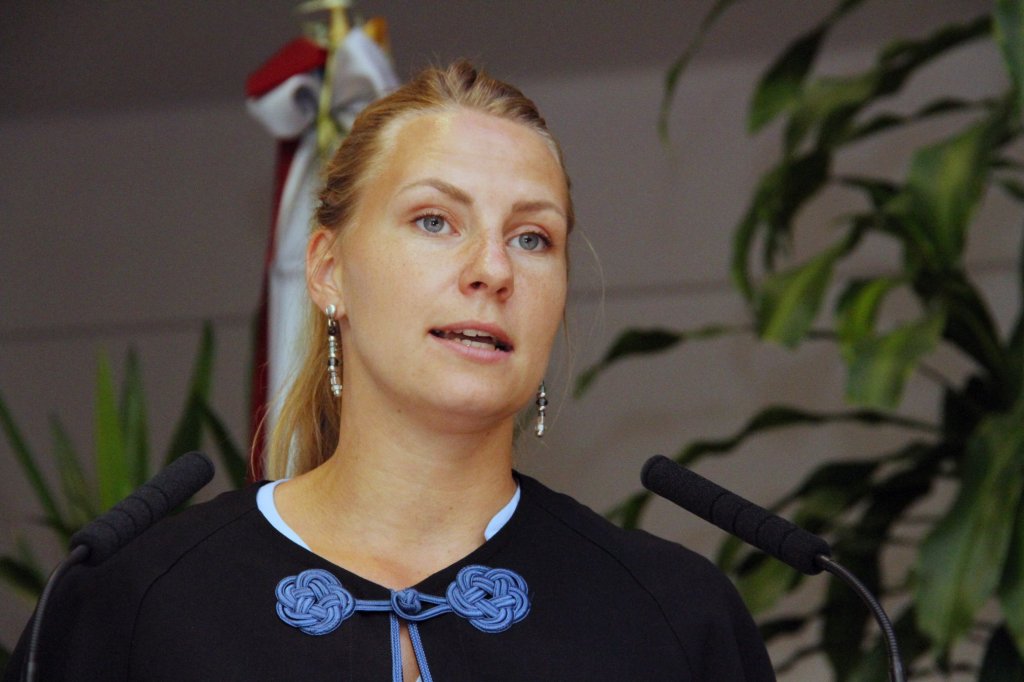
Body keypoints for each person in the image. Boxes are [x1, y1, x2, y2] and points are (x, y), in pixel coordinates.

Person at [5, 61, 775, 681]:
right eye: (434, 220)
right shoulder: (132, 604)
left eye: (533, 238)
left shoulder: (676, 619)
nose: (493, 269)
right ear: (328, 270)